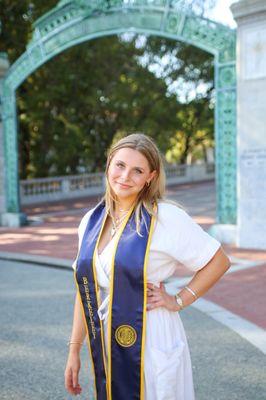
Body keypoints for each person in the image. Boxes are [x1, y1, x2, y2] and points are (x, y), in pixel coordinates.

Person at [64, 133, 231, 400]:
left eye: (137, 170)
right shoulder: (91, 221)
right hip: (108, 337)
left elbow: (219, 260)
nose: (125, 176)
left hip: (152, 335)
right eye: (120, 165)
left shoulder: (165, 217)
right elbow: (85, 290)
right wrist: (74, 349)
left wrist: (179, 299)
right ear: (108, 164)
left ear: (150, 176)